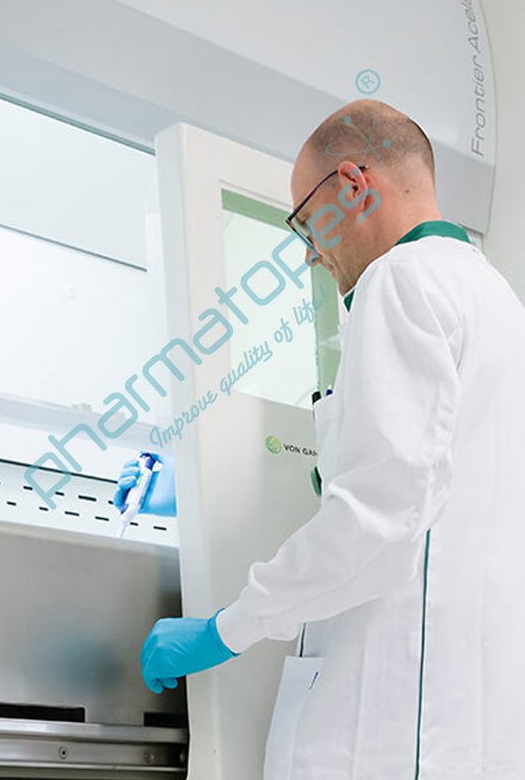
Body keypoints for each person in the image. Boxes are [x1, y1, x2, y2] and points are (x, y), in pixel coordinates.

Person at [115, 100, 525, 778]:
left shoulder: (400, 279)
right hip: (469, 736)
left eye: (306, 222)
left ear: (355, 186)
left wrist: (226, 628)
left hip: (389, 735)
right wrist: (197, 489)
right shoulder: (499, 303)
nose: (310, 251)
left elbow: (374, 521)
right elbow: (423, 494)